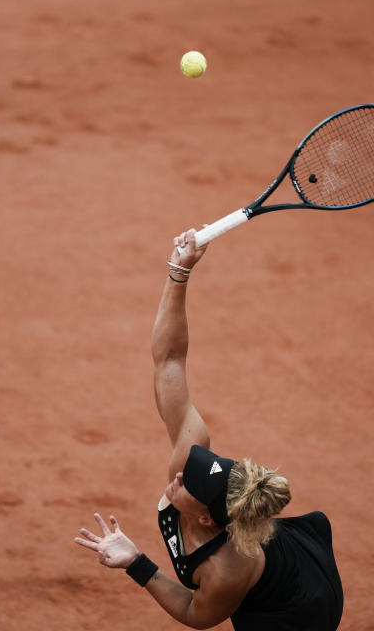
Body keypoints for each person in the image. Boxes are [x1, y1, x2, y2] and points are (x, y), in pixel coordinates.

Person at [74, 228, 343, 630]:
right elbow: (169, 361)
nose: (180, 473)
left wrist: (136, 562)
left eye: (189, 483)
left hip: (299, 613)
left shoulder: (228, 569)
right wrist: (178, 273)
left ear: (204, 518)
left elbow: (195, 613)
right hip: (274, 567)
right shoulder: (190, 467)